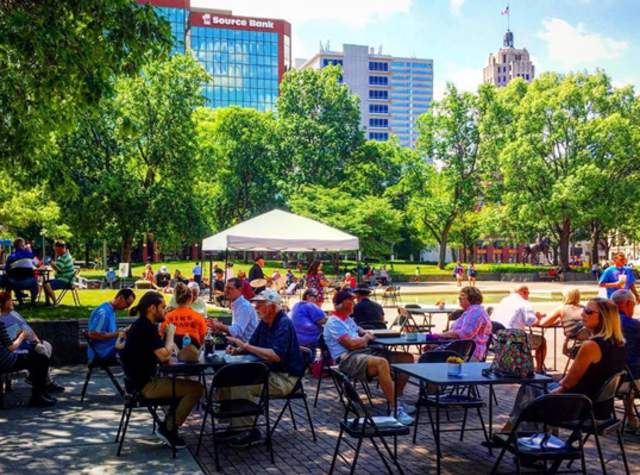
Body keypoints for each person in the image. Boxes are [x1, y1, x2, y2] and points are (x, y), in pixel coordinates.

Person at [503, 298, 627, 432]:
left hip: (581, 408)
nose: (582, 314)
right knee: (539, 385)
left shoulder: (591, 346)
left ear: (604, 318)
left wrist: (545, 398)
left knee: (530, 387)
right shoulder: (619, 343)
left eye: (588, 311)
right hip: (602, 409)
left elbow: (567, 384)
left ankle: (515, 431)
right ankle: (530, 431)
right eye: (584, 309)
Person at [222, 288, 305, 447]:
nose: (256, 308)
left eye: (260, 305)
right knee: (228, 379)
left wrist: (245, 345)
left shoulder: (283, 324)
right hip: (269, 372)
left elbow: (275, 355)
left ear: (272, 307)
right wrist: (237, 350)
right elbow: (252, 344)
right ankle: (235, 425)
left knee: (242, 385)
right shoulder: (265, 322)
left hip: (285, 378)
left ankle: (249, 431)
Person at [121, 291, 203, 448]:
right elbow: (164, 356)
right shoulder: (146, 328)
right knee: (196, 389)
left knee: (182, 388)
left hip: (137, 383)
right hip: (145, 386)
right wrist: (170, 334)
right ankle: (168, 429)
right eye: (163, 307)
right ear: (152, 308)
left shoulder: (142, 325)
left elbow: (158, 353)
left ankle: (169, 425)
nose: (166, 310)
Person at [323, 290, 415, 425]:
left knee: (406, 358)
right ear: (341, 304)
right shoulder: (334, 322)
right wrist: (366, 337)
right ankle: (395, 409)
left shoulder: (347, 319)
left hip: (364, 352)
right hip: (347, 358)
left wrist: (363, 332)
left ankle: (397, 397)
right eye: (351, 300)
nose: (354, 303)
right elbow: (351, 345)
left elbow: (358, 329)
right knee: (381, 363)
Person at [0, 291, 65, 395]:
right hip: (17, 347)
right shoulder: (1, 320)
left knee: (46, 345)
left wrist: (36, 340)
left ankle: (36, 379)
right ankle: (44, 385)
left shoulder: (14, 313)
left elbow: (26, 327)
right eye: (9, 300)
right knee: (41, 354)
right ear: (3, 304)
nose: (12, 302)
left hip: (26, 342)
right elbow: (10, 345)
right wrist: (21, 337)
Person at [0, 315, 55, 407]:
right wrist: (22, 336)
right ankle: (37, 396)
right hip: (5, 360)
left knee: (34, 357)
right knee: (41, 359)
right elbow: (11, 348)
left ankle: (40, 392)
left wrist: (15, 338)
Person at [491, 285, 547, 372]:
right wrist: (539, 317)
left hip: (497, 338)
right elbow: (532, 322)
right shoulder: (524, 303)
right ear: (524, 292)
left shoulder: (504, 301)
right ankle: (539, 370)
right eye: (528, 293)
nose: (528, 295)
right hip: (515, 340)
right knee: (542, 341)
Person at [611, 289, 640, 432]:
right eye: (633, 305)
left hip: (607, 382)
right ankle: (631, 418)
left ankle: (631, 418)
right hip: (631, 380)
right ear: (628, 304)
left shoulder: (603, 324)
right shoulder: (634, 325)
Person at [437, 286, 492, 361]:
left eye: (462, 296)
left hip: (469, 353)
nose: (459, 298)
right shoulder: (470, 311)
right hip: (461, 350)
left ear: (472, 298)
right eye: (459, 296)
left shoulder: (475, 312)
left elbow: (465, 334)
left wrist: (437, 336)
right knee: (431, 353)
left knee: (430, 358)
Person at [87, 289, 136, 362]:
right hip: (102, 353)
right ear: (121, 298)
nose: (127, 307)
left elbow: (107, 332)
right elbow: (93, 334)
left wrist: (122, 332)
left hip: (109, 348)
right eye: (127, 304)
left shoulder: (110, 310)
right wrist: (117, 334)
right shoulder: (104, 313)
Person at [538, 288, 590, 355]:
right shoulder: (585, 308)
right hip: (591, 343)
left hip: (574, 346)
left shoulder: (562, 308)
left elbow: (543, 323)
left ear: (566, 297)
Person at [208, 278, 258, 342]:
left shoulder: (244, 306)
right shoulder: (236, 304)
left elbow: (237, 331)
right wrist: (220, 329)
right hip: (240, 345)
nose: (226, 291)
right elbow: (235, 330)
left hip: (248, 347)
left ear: (239, 289)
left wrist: (220, 325)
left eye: (229, 288)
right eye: (225, 288)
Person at [160, 283, 208, 348]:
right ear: (190, 298)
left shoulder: (168, 317)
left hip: (172, 352)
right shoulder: (198, 317)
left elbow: (162, 335)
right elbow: (203, 339)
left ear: (176, 299)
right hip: (193, 353)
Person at [290, 288, 327, 352]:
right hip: (310, 338)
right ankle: (328, 360)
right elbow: (321, 321)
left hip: (296, 338)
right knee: (329, 337)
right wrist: (330, 318)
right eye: (315, 296)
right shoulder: (310, 305)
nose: (316, 299)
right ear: (308, 296)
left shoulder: (296, 305)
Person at [4, 238, 38, 305]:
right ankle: (33, 301)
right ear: (22, 246)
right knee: (35, 281)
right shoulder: (29, 254)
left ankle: (18, 300)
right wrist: (30, 251)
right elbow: (39, 264)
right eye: (24, 244)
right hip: (29, 282)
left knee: (11, 278)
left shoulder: (10, 257)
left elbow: (7, 269)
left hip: (14, 283)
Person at [43, 240, 75, 306]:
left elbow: (58, 269)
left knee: (47, 284)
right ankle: (48, 303)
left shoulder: (64, 257)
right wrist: (53, 264)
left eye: (56, 250)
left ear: (61, 248)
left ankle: (55, 303)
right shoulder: (65, 255)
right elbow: (59, 268)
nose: (56, 251)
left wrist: (51, 263)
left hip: (65, 281)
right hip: (65, 279)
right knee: (45, 283)